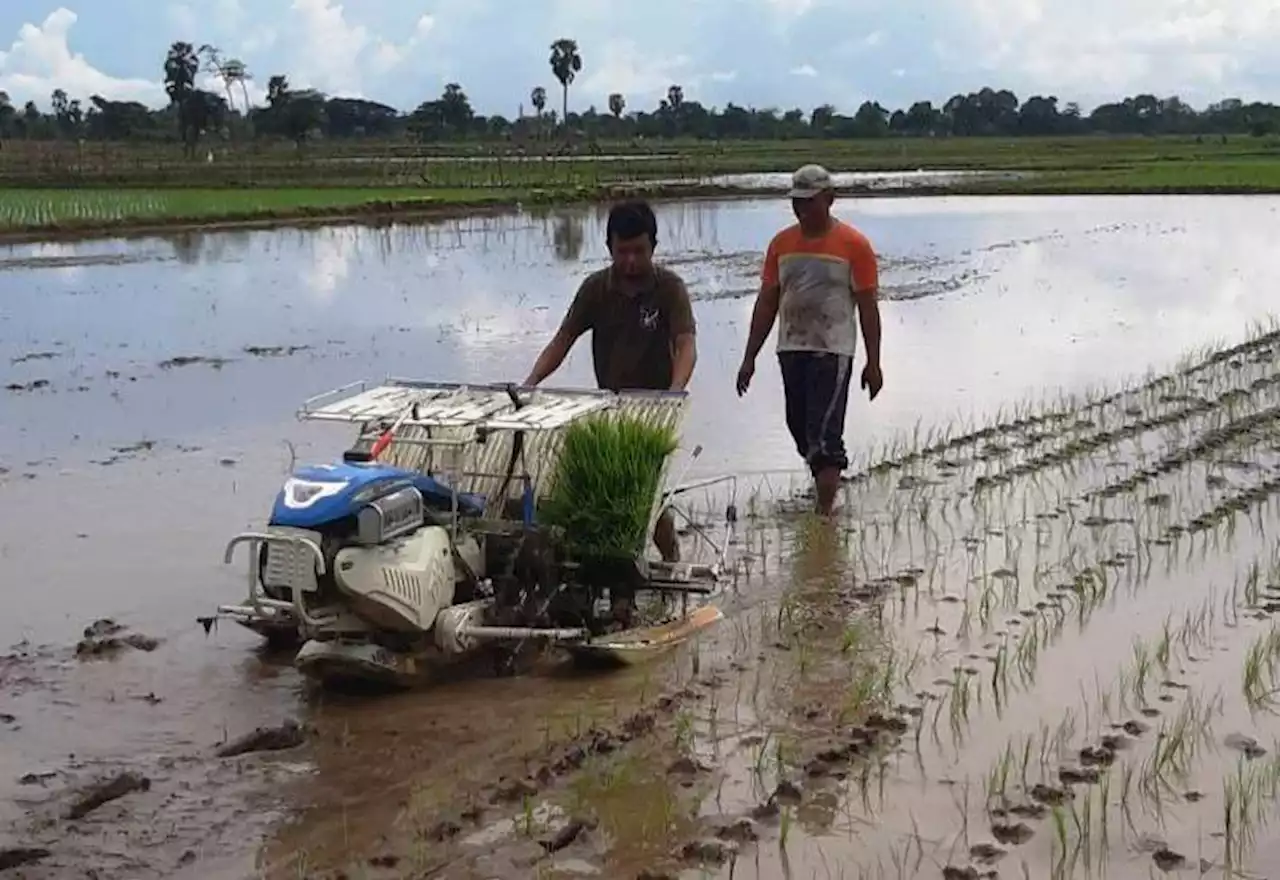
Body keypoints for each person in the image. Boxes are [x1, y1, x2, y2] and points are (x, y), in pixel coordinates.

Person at [523, 198, 696, 567]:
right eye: (623, 252)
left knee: (648, 489)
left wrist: (675, 392)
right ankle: (619, 562)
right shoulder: (595, 290)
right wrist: (532, 382)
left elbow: (686, 345)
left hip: (654, 408)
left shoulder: (669, 288)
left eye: (639, 251)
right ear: (609, 248)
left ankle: (667, 557)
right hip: (611, 405)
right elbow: (562, 340)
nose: (631, 261)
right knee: (610, 487)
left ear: (653, 247)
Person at [735, 164, 883, 516]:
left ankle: (824, 516)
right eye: (796, 202)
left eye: (809, 201)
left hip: (832, 350)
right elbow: (767, 300)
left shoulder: (854, 245)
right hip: (792, 347)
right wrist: (749, 357)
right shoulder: (781, 244)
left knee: (824, 432)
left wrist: (873, 362)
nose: (802, 209)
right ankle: (825, 481)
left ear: (829, 199)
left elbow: (867, 307)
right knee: (798, 425)